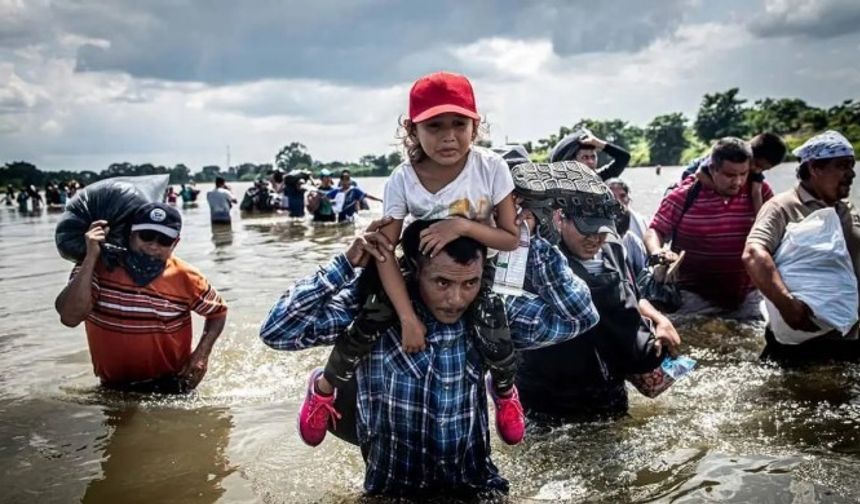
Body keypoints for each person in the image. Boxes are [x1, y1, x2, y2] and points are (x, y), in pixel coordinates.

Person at [259, 217, 598, 497]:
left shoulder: (488, 314)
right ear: (415, 269)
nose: (455, 299)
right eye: (441, 282)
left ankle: (505, 390)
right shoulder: (376, 310)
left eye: (469, 284)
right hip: (392, 491)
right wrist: (344, 265)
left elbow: (579, 316)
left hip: (476, 488)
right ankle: (323, 388)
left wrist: (527, 238)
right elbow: (277, 331)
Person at [305, 71, 531, 451]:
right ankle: (323, 390)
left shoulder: (491, 167)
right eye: (434, 126)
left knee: (495, 326)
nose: (448, 136)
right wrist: (408, 317)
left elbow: (510, 239)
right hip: (418, 271)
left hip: (475, 269)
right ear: (413, 131)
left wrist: (459, 226)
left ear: (475, 127)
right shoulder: (403, 178)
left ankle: (506, 392)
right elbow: (383, 251)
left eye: (459, 124)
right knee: (369, 320)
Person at [516, 169, 680, 421]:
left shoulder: (613, 248)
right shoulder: (542, 261)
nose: (595, 239)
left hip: (608, 390)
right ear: (561, 218)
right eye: (586, 229)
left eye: (602, 230)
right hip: (549, 397)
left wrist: (659, 320)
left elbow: (633, 295)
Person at [54, 202, 228, 392]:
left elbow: (217, 312)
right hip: (112, 388)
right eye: (145, 236)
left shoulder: (185, 276)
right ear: (131, 235)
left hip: (171, 385)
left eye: (164, 241)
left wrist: (202, 354)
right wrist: (90, 257)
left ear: (175, 243)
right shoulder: (97, 267)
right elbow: (69, 318)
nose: (153, 246)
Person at [744, 130, 859, 364]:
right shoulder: (782, 207)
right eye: (842, 166)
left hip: (850, 335)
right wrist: (788, 306)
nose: (852, 174)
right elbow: (753, 254)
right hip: (804, 335)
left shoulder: (847, 209)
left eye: (852, 165)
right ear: (815, 168)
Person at [645, 137, 772, 318]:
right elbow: (655, 230)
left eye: (743, 174)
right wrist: (657, 252)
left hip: (747, 298)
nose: (737, 182)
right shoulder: (685, 194)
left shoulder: (759, 191)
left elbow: (777, 233)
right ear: (712, 169)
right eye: (729, 175)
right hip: (692, 298)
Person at [679, 132, 786, 213]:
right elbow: (699, 174)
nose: (757, 170)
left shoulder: (755, 166)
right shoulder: (733, 152)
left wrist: (760, 221)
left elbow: (756, 192)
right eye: (757, 165)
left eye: (763, 169)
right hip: (695, 169)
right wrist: (722, 193)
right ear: (749, 154)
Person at [549, 129, 631, 181]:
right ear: (571, 161)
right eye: (585, 157)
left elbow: (624, 157)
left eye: (593, 157)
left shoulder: (600, 178)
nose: (591, 161)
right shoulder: (560, 185)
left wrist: (597, 143)